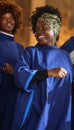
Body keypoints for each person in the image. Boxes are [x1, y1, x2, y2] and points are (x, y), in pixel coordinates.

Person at [11, 5, 74, 130]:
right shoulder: (31, 52)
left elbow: (71, 81)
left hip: (59, 112)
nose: (39, 32)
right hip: (36, 111)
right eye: (37, 29)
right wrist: (48, 72)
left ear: (55, 30)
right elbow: (19, 74)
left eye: (44, 28)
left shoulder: (65, 56)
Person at [0, 1, 24, 130]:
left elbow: (24, 69)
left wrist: (15, 71)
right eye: (4, 18)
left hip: (14, 92)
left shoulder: (20, 47)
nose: (9, 21)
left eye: (12, 18)